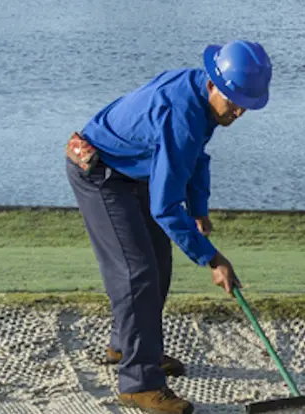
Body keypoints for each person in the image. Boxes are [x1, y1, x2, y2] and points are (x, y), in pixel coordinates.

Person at [64, 40, 272, 414]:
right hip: (100, 172)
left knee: (158, 264)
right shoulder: (183, 113)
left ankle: (127, 346)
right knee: (137, 272)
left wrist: (199, 209)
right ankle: (139, 382)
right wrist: (212, 259)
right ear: (213, 83)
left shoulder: (201, 97)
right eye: (234, 101)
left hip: (134, 170)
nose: (239, 111)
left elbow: (195, 158)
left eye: (246, 103)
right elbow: (165, 207)